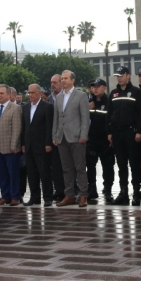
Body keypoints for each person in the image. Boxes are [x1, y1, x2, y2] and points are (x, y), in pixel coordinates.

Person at [107, 66, 141, 206]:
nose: (119, 78)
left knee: (134, 165)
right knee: (121, 165)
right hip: (117, 133)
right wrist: (109, 132)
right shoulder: (114, 93)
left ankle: (136, 193)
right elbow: (109, 115)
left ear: (128, 76)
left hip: (131, 133)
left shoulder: (136, 92)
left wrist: (139, 131)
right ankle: (123, 192)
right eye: (117, 75)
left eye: (121, 75)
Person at [53, 70, 90, 208]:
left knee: (80, 168)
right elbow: (56, 119)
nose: (63, 80)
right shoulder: (59, 97)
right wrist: (55, 136)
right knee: (66, 168)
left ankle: (83, 195)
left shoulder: (81, 95)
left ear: (72, 80)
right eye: (62, 78)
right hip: (62, 138)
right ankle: (69, 195)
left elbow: (85, 118)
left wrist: (83, 136)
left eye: (66, 78)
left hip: (76, 137)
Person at [21, 83, 54, 207]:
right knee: (31, 173)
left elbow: (49, 127)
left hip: (42, 145)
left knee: (44, 172)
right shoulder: (25, 107)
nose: (30, 95)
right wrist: (23, 143)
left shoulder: (47, 107)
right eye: (29, 93)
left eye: (33, 92)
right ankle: (34, 197)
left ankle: (47, 197)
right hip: (29, 146)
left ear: (39, 93)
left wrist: (48, 143)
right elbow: (24, 127)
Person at [86, 79, 115, 202]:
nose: (95, 89)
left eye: (98, 86)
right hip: (91, 139)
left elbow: (112, 120)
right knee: (90, 165)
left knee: (107, 166)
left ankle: (108, 190)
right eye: (93, 86)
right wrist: (86, 109)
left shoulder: (109, 102)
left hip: (105, 140)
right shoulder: (88, 102)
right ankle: (92, 189)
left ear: (104, 88)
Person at [0, 84, 23, 206]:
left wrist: (14, 145)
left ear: (9, 94)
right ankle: (5, 195)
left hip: (10, 147)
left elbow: (17, 128)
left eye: (2, 93)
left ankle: (15, 196)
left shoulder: (15, 108)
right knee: (1, 173)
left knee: (13, 173)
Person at [46, 74, 66, 201]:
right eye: (51, 82)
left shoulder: (67, 96)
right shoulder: (49, 99)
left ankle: (70, 190)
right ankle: (59, 190)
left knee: (68, 166)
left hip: (67, 136)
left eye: (55, 82)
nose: (52, 85)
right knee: (56, 166)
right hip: (54, 137)